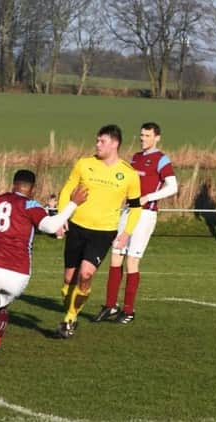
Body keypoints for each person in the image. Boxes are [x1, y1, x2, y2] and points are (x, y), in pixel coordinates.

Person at [0, 170, 87, 364]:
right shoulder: (31, 204)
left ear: (13, 184)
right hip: (19, 272)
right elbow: (49, 227)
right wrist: (73, 203)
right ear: (32, 189)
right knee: (2, 306)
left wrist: (0, 237)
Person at [54, 124, 141, 338]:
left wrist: (126, 233)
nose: (97, 144)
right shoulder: (84, 164)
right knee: (68, 281)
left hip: (104, 232)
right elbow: (67, 189)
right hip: (77, 227)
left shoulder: (129, 174)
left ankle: (70, 319)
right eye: (97, 140)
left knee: (85, 274)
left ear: (115, 144)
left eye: (102, 141)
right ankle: (70, 310)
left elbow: (137, 207)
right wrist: (61, 217)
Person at [92, 122, 177, 325]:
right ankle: (110, 305)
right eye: (141, 135)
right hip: (128, 212)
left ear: (157, 138)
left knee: (132, 260)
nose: (143, 139)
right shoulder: (135, 158)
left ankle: (128, 310)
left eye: (147, 136)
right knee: (115, 255)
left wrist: (149, 197)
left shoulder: (161, 159)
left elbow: (172, 187)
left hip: (145, 214)